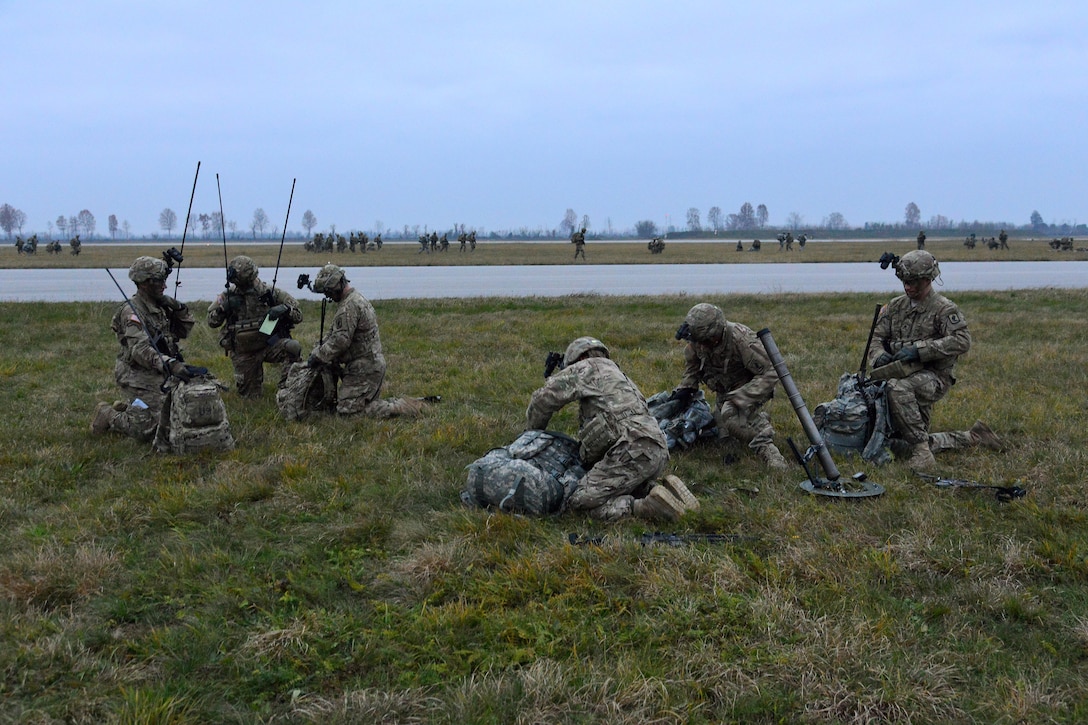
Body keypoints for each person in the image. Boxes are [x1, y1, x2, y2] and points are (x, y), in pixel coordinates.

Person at [526, 336, 695, 521]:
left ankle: (640, 507)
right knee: (619, 482)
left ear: (579, 358)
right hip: (656, 448)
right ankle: (659, 491)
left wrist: (531, 435)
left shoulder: (586, 367)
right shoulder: (617, 374)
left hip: (632, 449)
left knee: (578, 501)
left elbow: (542, 400)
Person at [869, 250, 1002, 469]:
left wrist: (920, 350)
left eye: (913, 282)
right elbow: (876, 337)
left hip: (933, 377)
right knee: (898, 442)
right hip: (898, 372)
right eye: (905, 282)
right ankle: (974, 437)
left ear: (928, 279)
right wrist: (879, 356)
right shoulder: (894, 307)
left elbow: (962, 340)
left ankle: (922, 454)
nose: (908, 287)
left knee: (897, 389)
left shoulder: (943, 309)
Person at [91, 256, 196, 441]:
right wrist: (169, 363)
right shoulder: (132, 312)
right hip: (137, 373)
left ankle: (133, 408)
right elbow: (140, 350)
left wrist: (176, 307)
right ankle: (108, 414)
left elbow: (184, 330)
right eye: (158, 282)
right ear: (144, 283)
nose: (163, 286)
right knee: (149, 430)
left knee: (184, 411)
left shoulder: (160, 306)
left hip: (161, 369)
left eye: (164, 281)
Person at [671, 303, 787, 470]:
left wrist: (742, 398)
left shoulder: (740, 339)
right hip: (724, 390)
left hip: (751, 387)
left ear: (716, 332)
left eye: (706, 340)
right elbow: (693, 367)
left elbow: (771, 371)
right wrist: (685, 388)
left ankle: (769, 451)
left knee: (730, 414)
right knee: (724, 434)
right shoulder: (698, 341)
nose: (702, 345)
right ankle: (755, 419)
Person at [307, 264, 432, 417]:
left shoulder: (349, 307)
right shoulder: (353, 300)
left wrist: (318, 356)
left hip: (365, 367)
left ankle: (403, 407)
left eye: (329, 292)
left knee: (348, 412)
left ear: (337, 285)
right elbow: (333, 334)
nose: (329, 296)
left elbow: (340, 341)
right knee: (348, 405)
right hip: (365, 364)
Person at [206, 255, 303, 398]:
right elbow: (211, 322)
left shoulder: (271, 292)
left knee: (292, 347)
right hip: (243, 351)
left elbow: (299, 316)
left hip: (269, 344)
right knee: (250, 397)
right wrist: (223, 309)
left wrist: (285, 310)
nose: (241, 288)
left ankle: (288, 387)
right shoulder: (228, 295)